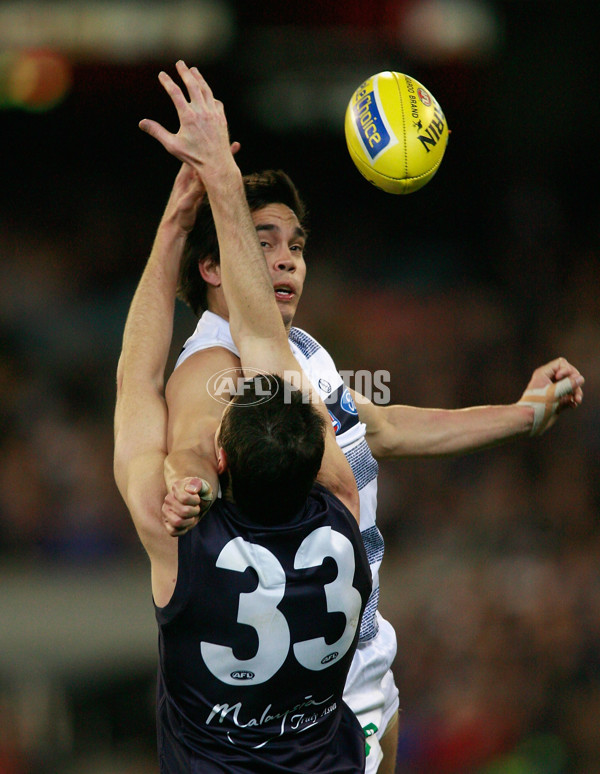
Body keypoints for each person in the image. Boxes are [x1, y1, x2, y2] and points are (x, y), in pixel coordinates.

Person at [140, 61, 586, 774]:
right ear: (215, 266)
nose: (286, 261)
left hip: (360, 649)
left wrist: (521, 415)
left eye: (296, 245)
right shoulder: (214, 366)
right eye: (263, 243)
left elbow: (379, 430)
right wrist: (185, 477)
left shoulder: (305, 352)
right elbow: (191, 441)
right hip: (305, 689)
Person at [115, 66, 373, 771]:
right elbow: (266, 341)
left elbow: (138, 381)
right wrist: (225, 189)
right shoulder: (345, 521)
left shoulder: (184, 553)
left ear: (222, 460)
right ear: (321, 454)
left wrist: (181, 214)